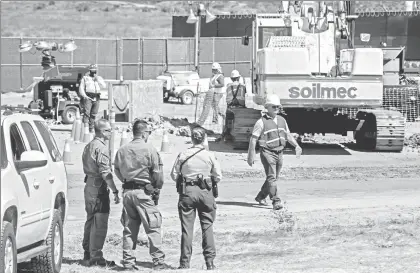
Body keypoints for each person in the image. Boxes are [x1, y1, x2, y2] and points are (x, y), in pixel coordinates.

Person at [114, 120, 168, 271]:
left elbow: (117, 170)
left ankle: (128, 263)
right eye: (148, 133)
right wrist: (156, 188)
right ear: (144, 133)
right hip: (143, 193)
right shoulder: (150, 149)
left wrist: (126, 181)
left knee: (129, 229)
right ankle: (158, 262)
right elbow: (158, 174)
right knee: (153, 227)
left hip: (127, 193)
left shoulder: (122, 150)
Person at [170, 126, 222, 270]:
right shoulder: (210, 155)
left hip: (187, 191)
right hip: (206, 192)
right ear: (204, 138)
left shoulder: (183, 154)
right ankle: (210, 262)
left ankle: (184, 263)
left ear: (191, 138)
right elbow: (218, 176)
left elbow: (174, 175)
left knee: (187, 229)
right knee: (208, 227)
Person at [247, 94, 302, 210]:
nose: (276, 109)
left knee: (273, 178)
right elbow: (253, 139)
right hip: (267, 152)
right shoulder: (261, 122)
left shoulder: (282, 120)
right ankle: (276, 201)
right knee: (272, 178)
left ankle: (261, 196)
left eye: (278, 106)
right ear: (267, 107)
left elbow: (287, 135)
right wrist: (250, 155)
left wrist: (296, 146)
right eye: (274, 107)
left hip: (279, 152)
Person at [80, 119, 120, 267]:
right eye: (109, 130)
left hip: (89, 185)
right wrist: (115, 190)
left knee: (90, 220)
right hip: (99, 188)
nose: (111, 132)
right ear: (103, 132)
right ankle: (96, 257)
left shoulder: (88, 146)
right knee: (100, 222)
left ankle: (87, 253)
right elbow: (105, 173)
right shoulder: (101, 148)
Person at [216, 70, 247, 142]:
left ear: (231, 78)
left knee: (228, 122)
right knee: (240, 121)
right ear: (238, 78)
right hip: (241, 109)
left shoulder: (228, 86)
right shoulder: (243, 86)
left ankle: (227, 135)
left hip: (231, 108)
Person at [79, 64, 106, 133]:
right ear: (90, 71)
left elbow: (104, 86)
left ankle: (91, 128)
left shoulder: (99, 78)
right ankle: (85, 129)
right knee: (87, 113)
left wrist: (98, 80)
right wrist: (84, 96)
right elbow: (81, 88)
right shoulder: (85, 78)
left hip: (96, 97)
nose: (93, 72)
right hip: (88, 97)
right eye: (92, 71)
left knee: (94, 114)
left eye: (95, 71)